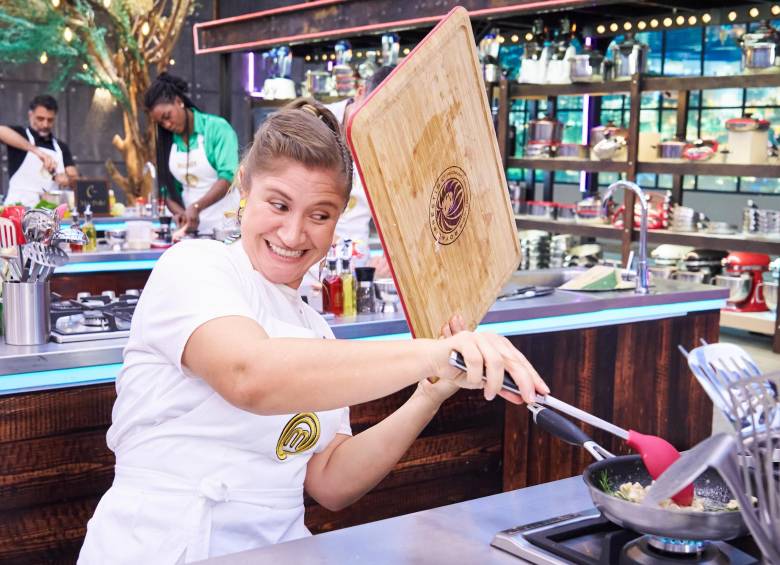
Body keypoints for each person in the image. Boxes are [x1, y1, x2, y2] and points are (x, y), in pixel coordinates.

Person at [78, 98, 548, 564]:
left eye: (319, 215)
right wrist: (432, 353)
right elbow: (250, 375)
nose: (293, 233)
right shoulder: (194, 266)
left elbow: (329, 481)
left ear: (339, 219)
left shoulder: (316, 332)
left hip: (278, 550)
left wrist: (429, 392)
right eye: (278, 204)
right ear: (244, 186)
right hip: (162, 545)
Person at [144, 73, 240, 235]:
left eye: (167, 116)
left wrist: (197, 207)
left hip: (226, 223)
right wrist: (180, 212)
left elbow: (228, 178)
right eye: (161, 123)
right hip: (191, 228)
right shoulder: (168, 143)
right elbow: (166, 190)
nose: (167, 125)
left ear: (179, 101)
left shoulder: (216, 129)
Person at [0, 95, 78, 206]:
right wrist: (37, 152)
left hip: (49, 212)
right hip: (17, 210)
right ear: (30, 115)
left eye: (50, 120)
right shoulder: (21, 135)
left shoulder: (61, 147)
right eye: (40, 119)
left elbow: (75, 180)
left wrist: (68, 180)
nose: (45, 124)